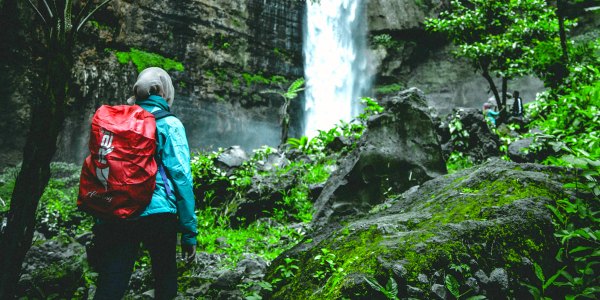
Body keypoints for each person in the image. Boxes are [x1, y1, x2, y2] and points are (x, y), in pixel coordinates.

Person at [92, 67, 198, 300]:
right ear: (165, 91)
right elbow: (181, 178)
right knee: (165, 277)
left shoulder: (118, 122)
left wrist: (102, 218)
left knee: (112, 280)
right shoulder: (170, 124)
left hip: (119, 210)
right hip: (159, 214)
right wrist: (189, 233)